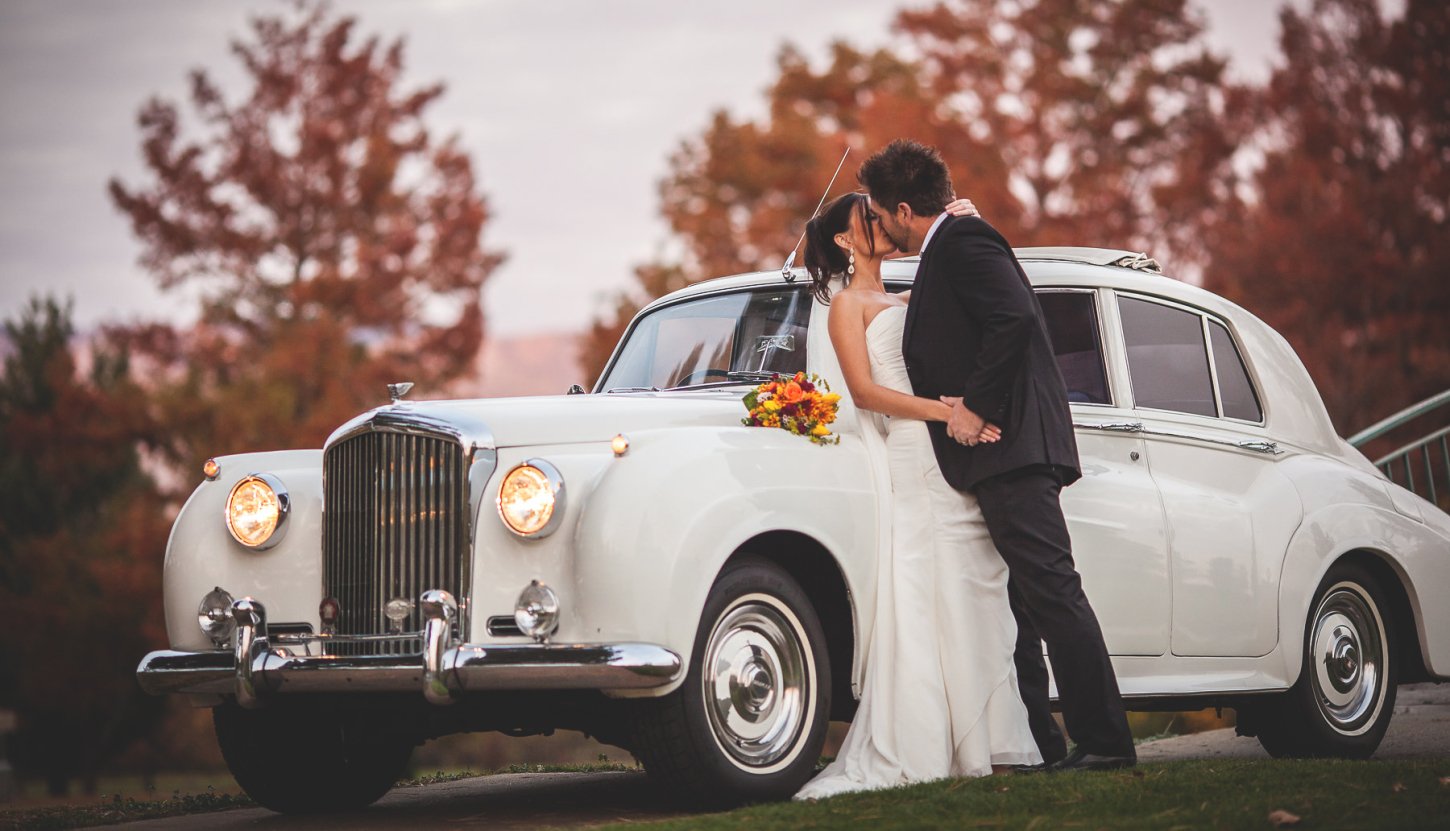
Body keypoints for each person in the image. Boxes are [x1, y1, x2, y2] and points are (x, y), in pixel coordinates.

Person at [858, 139, 1136, 771]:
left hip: (1010, 444)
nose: (876, 224)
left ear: (904, 208)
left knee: (1052, 591)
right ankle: (1048, 743)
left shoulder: (963, 241)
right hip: (997, 453)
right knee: (1025, 606)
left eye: (878, 213)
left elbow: (1014, 319)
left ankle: (1107, 743)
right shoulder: (955, 240)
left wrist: (976, 408)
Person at [792, 191, 1042, 801]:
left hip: (951, 450)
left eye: (880, 214)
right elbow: (864, 394)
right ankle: (930, 742)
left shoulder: (908, 295)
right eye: (864, 220)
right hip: (912, 448)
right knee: (929, 593)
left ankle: (991, 745)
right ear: (846, 241)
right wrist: (944, 410)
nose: (878, 224)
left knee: (975, 590)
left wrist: (966, 222)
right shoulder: (846, 306)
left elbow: (977, 297)